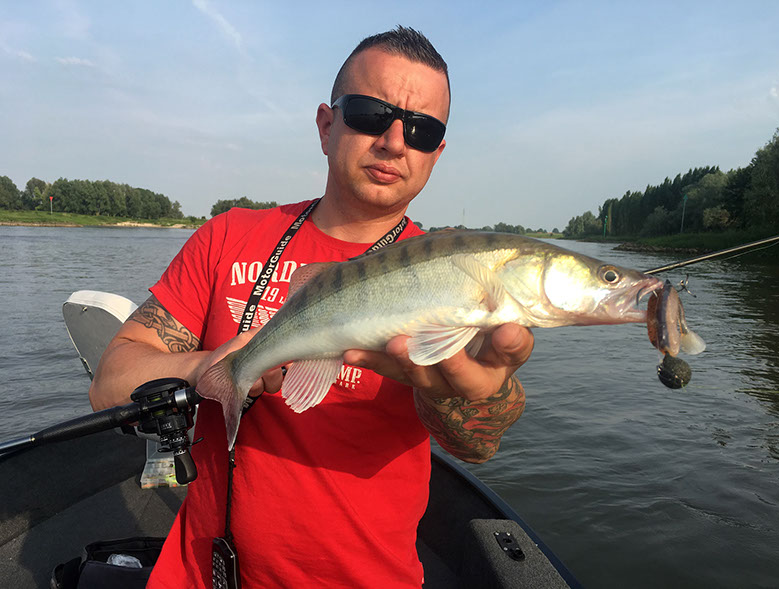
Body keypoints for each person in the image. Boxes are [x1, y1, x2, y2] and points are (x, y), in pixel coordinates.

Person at [89, 26, 533, 588]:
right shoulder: (227, 237)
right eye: (371, 114)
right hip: (198, 574)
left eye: (423, 130)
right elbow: (109, 384)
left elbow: (478, 444)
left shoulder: (460, 279)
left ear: (436, 154)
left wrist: (468, 398)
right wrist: (207, 368)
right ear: (327, 125)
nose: (395, 142)